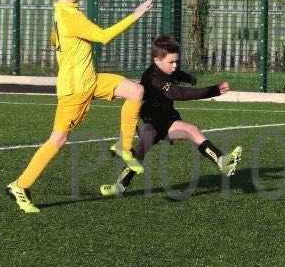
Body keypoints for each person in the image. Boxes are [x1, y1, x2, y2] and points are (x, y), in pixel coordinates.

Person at [6, 0, 153, 213]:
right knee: (58, 139)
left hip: (89, 80)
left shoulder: (61, 11)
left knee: (135, 91)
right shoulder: (70, 16)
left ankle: (123, 146)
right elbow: (103, 36)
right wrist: (135, 15)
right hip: (75, 90)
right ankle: (20, 185)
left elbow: (55, 39)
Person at [99, 35, 242, 197]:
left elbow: (177, 74)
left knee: (192, 130)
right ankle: (119, 187)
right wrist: (213, 90)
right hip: (150, 122)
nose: (175, 66)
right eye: (171, 62)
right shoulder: (152, 77)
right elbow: (177, 93)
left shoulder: (167, 69)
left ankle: (223, 161)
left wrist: (189, 78)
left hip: (168, 119)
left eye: (176, 61)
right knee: (140, 153)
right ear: (157, 60)